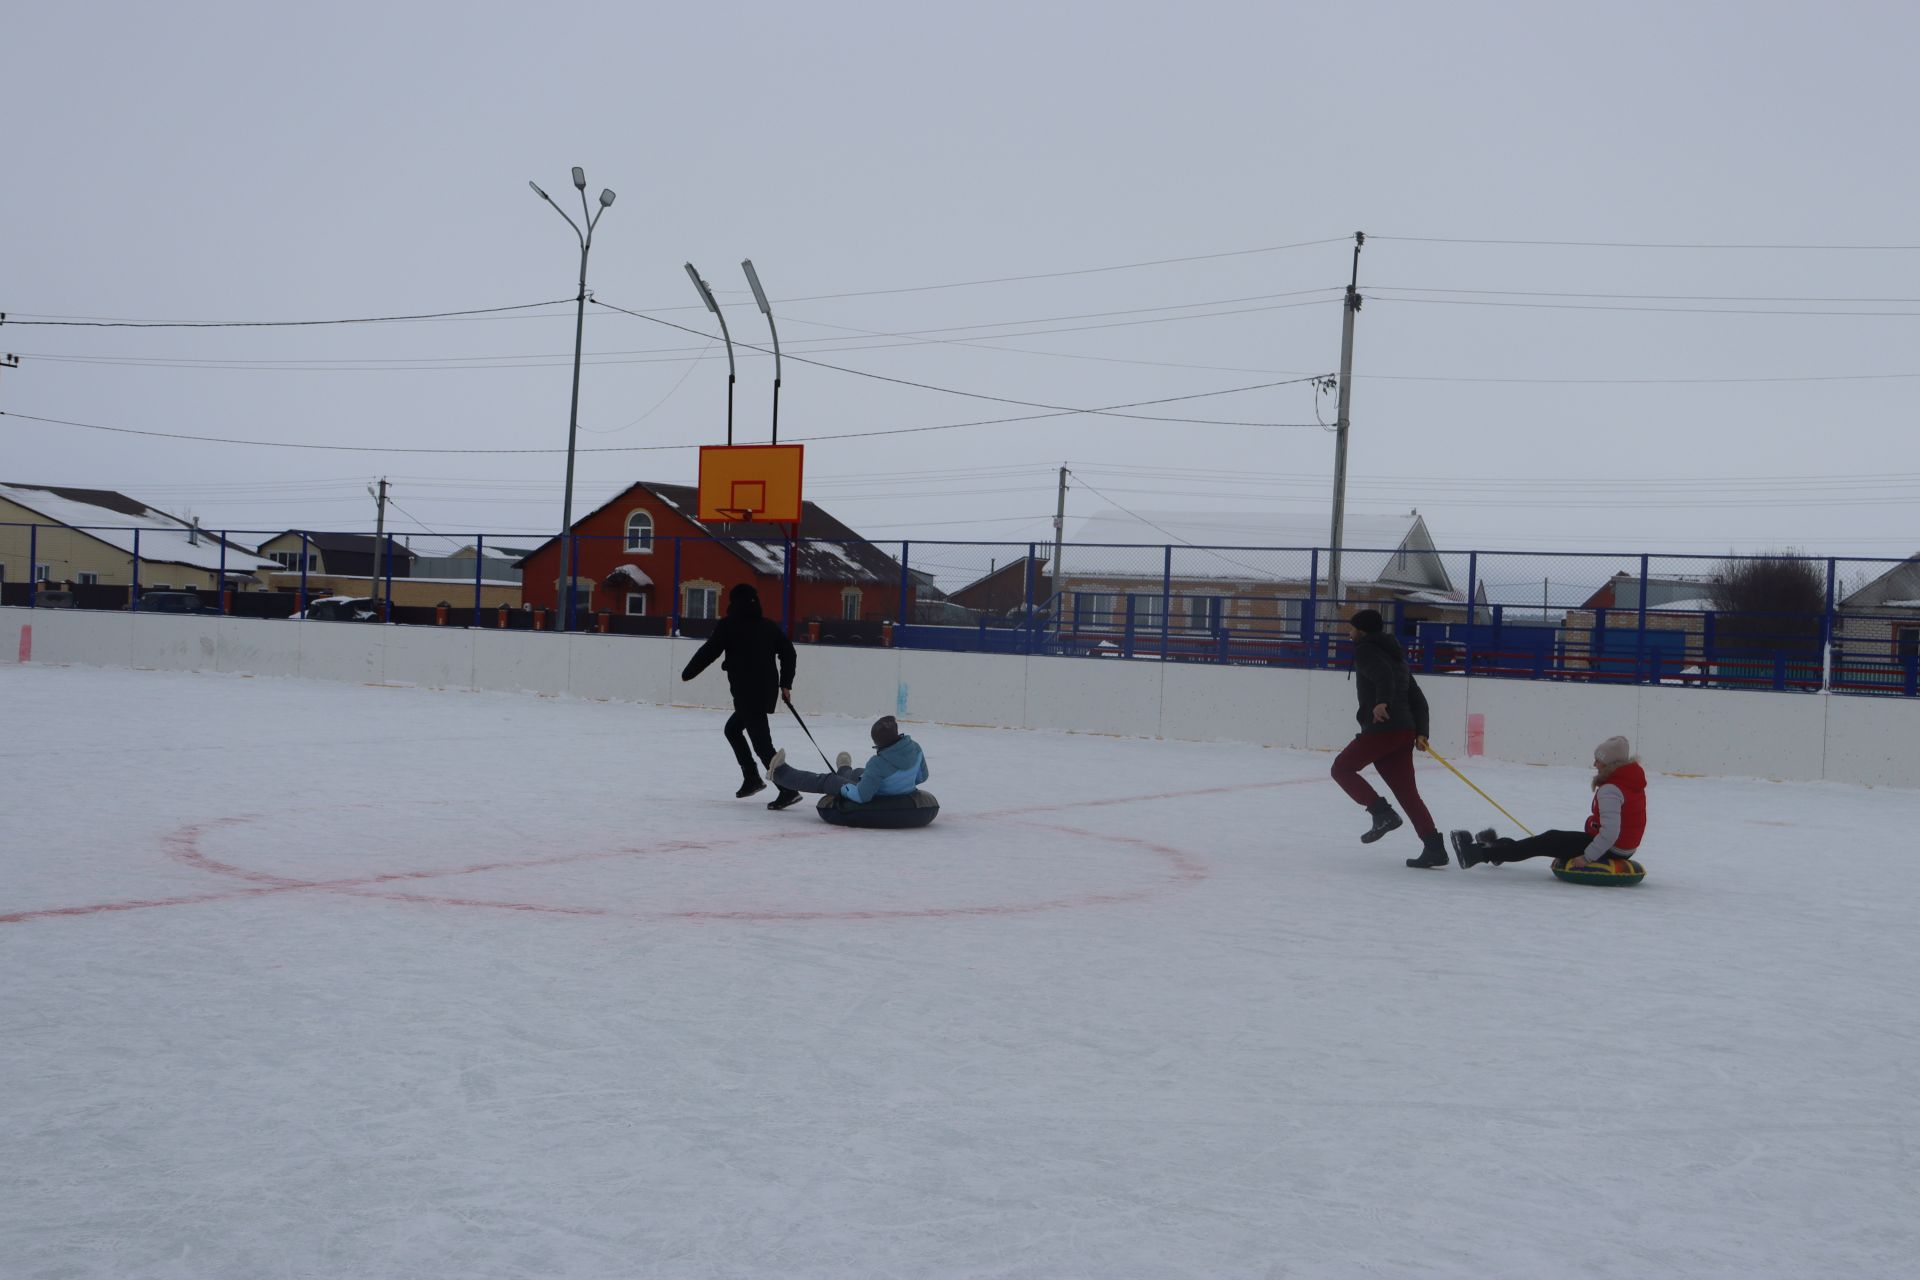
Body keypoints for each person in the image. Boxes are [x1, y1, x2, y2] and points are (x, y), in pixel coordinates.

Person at [1330, 608, 1448, 869]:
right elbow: (1418, 699)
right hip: (1403, 732)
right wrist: (1421, 732)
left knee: (1341, 768)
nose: (1349, 634)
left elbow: (1382, 676)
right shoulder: (1397, 657)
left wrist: (1381, 702)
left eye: (1351, 629)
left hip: (1384, 728)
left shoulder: (1365, 650)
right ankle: (1434, 848)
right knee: (1407, 793)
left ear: (1361, 631)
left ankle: (1381, 813)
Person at [680, 583, 801, 808]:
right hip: (764, 692)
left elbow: (709, 651)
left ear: (733, 603)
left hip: (747, 693)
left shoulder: (729, 626)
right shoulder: (768, 626)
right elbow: (788, 652)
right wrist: (785, 684)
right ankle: (751, 778)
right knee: (733, 730)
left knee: (762, 745)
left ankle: (787, 788)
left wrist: (688, 673)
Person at [1451, 735, 1646, 870]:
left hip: (1612, 848)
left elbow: (1611, 832)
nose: (1594, 764)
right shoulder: (1628, 782)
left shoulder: (1611, 789)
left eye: (1598, 760)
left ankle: (1476, 854)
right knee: (1547, 841)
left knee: (1547, 840)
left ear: (1610, 764)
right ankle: (1497, 848)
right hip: (1623, 848)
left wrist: (1586, 857)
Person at [768, 715, 929, 805]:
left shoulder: (877, 763)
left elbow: (862, 796)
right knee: (860, 773)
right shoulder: (915, 748)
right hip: (897, 790)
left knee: (828, 780)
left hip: (879, 795)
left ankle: (780, 773)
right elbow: (922, 777)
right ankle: (845, 768)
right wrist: (900, 783)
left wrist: (844, 788)